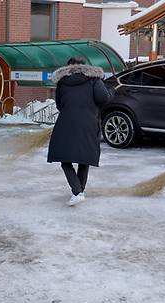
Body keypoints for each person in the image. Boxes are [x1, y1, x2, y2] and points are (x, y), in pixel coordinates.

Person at [47, 57, 112, 206]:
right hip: (88, 123)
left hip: (66, 122)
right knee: (84, 159)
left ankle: (77, 192)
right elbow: (103, 99)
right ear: (85, 66)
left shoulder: (62, 83)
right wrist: (111, 91)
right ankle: (78, 191)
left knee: (65, 159)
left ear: (69, 67)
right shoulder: (94, 80)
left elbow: (59, 105)